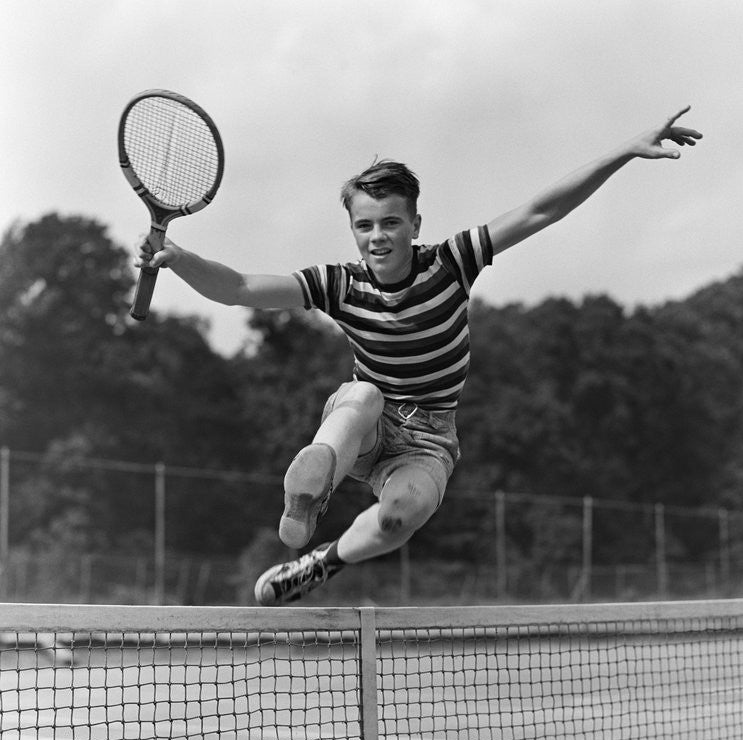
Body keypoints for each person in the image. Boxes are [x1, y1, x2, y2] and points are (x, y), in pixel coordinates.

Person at [135, 107, 702, 605]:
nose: (377, 236)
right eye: (364, 226)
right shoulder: (339, 284)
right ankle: (309, 487)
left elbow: (540, 211)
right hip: (365, 425)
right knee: (363, 393)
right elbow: (239, 288)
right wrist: (180, 259)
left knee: (399, 517)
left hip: (430, 438)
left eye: (390, 223)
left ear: (414, 225)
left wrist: (625, 151)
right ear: (352, 230)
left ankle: (322, 561)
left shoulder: (451, 263)